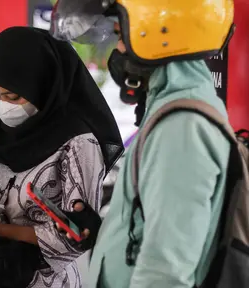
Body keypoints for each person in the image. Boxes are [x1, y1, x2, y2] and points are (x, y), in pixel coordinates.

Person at [50, 0, 235, 287]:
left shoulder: (181, 129)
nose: (118, 49)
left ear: (161, 35)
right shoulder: (171, 110)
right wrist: (111, 231)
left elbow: (165, 273)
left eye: (121, 36)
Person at [0, 26, 124, 287]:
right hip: (0, 272)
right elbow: (15, 193)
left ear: (44, 84)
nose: (5, 107)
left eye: (13, 96)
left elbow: (76, 237)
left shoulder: (78, 143)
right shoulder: (6, 132)